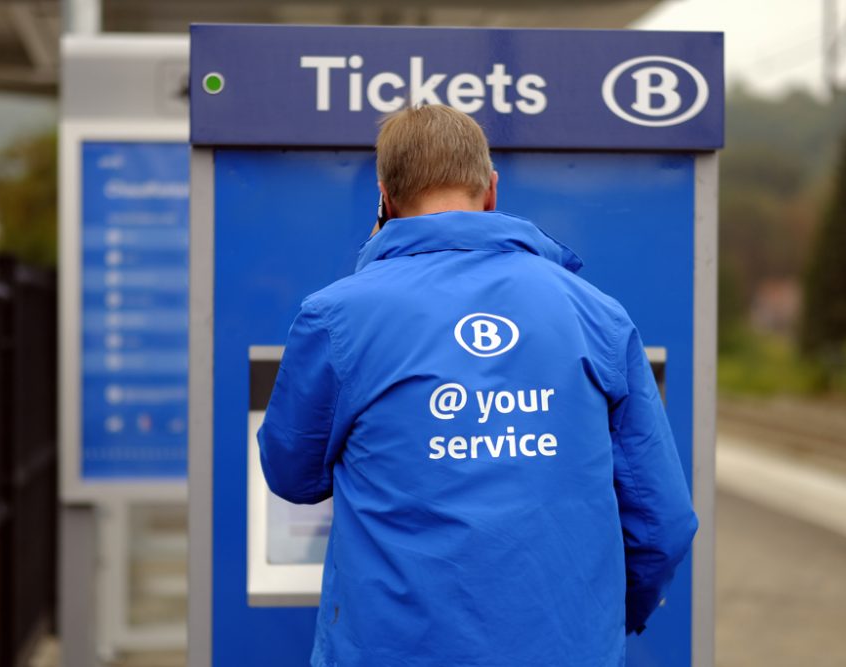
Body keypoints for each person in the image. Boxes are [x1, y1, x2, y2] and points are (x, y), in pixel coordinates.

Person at [258, 104, 698, 667]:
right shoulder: (595, 314)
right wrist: (607, 616)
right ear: (491, 191)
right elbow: (663, 518)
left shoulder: (336, 316)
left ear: (386, 199)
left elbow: (292, 474)